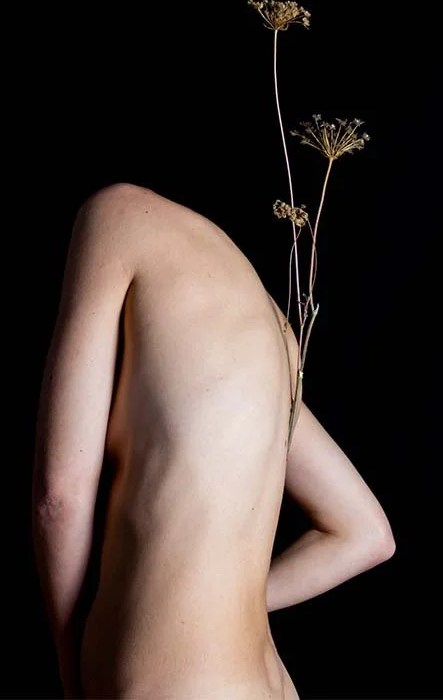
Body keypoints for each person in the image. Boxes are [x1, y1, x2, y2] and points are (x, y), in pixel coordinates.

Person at [33, 183, 395, 699]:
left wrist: (70, 662)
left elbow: (59, 495)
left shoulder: (117, 217)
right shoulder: (270, 319)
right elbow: (366, 533)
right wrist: (225, 606)